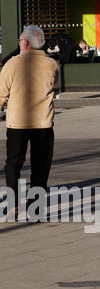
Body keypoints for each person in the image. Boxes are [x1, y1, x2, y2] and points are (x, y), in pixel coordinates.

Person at [0, 26, 60, 213]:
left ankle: (14, 204)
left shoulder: (13, 63)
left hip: (18, 122)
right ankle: (36, 208)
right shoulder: (52, 64)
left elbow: (1, 93)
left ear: (25, 43)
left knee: (13, 163)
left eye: (19, 40)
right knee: (40, 166)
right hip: (42, 123)